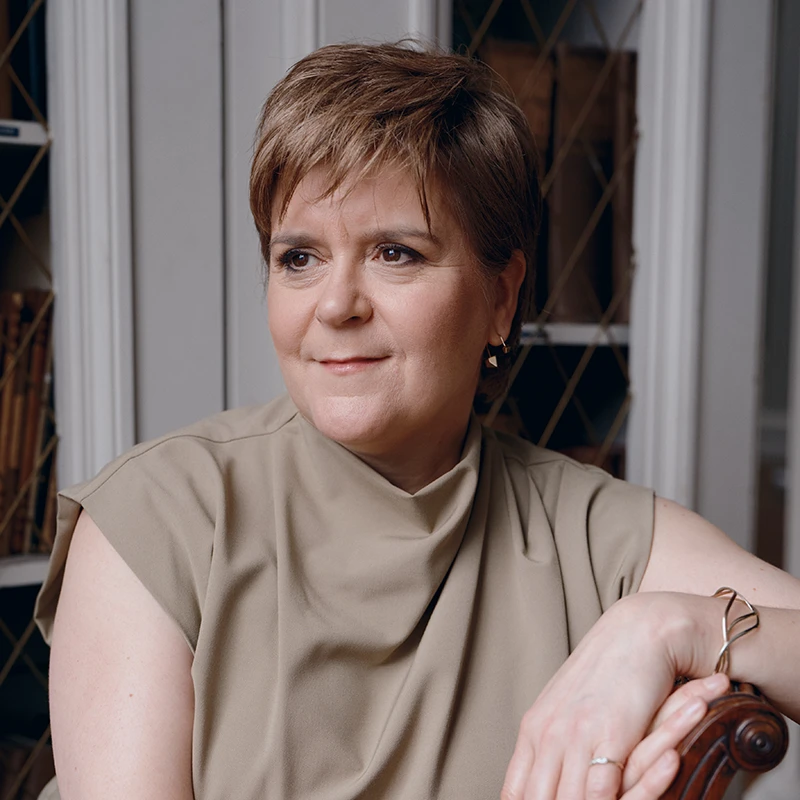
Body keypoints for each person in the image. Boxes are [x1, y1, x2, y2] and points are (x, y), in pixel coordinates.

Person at [35, 41, 800, 800]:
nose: (336, 306)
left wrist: (673, 627)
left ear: (501, 299)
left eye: (395, 253)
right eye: (298, 257)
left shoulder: (587, 528)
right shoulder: (157, 518)